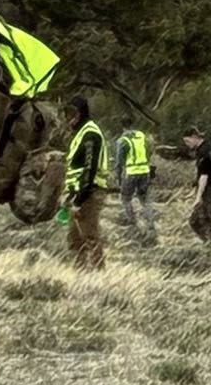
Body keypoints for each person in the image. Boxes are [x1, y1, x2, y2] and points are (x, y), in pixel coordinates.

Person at [64, 97, 109, 268]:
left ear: (80, 113)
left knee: (90, 235)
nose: (69, 119)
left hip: (89, 193)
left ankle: (98, 273)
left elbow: (89, 170)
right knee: (75, 238)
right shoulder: (81, 134)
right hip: (78, 193)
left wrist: (78, 200)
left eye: (71, 114)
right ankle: (80, 273)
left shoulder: (91, 134)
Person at [115, 126, 157, 243]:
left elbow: (119, 161)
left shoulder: (123, 140)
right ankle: (150, 225)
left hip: (131, 173)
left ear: (122, 127)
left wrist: (118, 178)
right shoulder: (142, 137)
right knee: (145, 200)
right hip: (144, 171)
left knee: (126, 199)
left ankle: (134, 224)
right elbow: (149, 152)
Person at [182, 127, 211, 240]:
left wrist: (198, 196)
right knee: (207, 218)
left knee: (196, 221)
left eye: (187, 141)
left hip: (209, 188)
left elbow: (204, 175)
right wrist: (193, 191)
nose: (187, 145)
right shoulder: (209, 147)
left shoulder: (203, 152)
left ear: (194, 137)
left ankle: (210, 243)